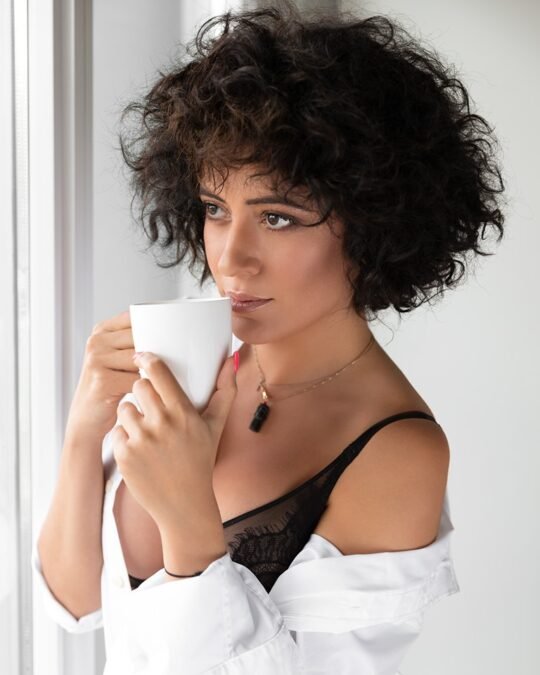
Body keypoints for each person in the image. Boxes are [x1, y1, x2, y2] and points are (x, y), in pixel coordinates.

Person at [32, 2, 505, 673]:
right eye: (215, 209)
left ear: (375, 223)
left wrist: (190, 527)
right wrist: (84, 438)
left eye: (277, 217)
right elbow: (74, 603)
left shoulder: (396, 453)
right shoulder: (198, 359)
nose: (231, 258)